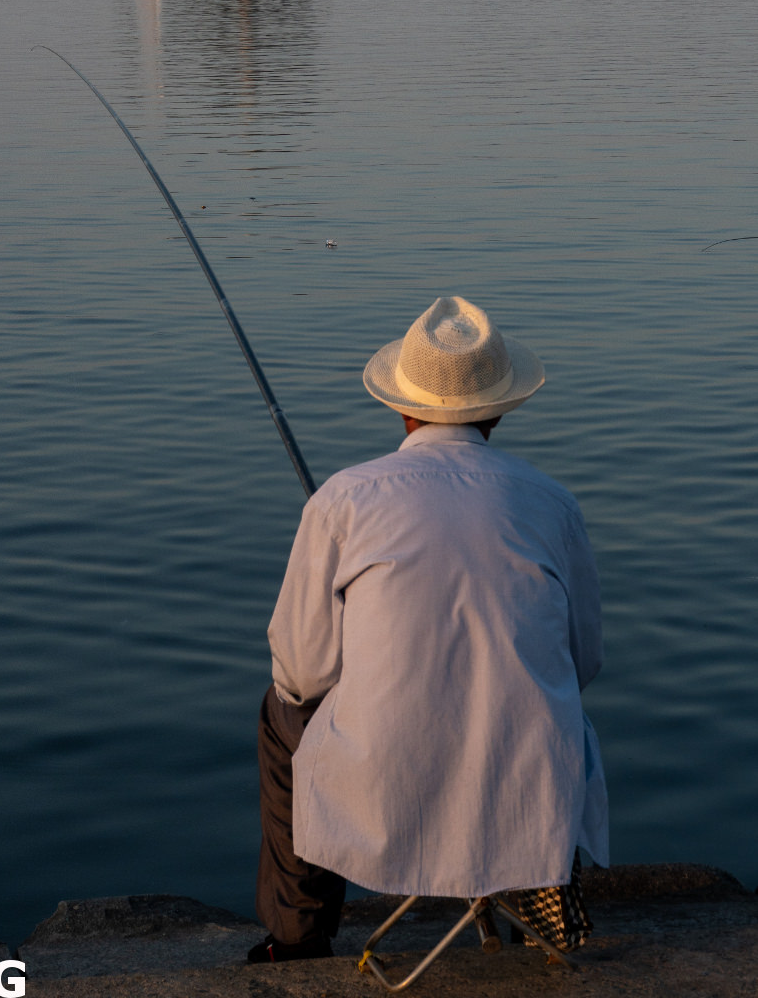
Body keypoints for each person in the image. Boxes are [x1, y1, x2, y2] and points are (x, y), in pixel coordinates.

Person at [248, 295, 608, 963]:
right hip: (526, 783)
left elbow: (301, 673)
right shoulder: (555, 505)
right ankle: (529, 874)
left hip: (387, 789)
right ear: (498, 409)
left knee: (281, 717)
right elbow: (583, 661)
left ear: (400, 404)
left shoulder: (345, 499)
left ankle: (297, 939)